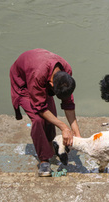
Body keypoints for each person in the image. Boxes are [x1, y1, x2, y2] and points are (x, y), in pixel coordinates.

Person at [10, 49, 81, 177]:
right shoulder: (38, 75)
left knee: (51, 115)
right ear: (51, 84)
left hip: (40, 71)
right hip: (25, 82)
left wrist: (77, 133)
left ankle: (49, 143)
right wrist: (64, 127)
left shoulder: (66, 71)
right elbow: (40, 107)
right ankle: (44, 159)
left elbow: (68, 103)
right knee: (38, 119)